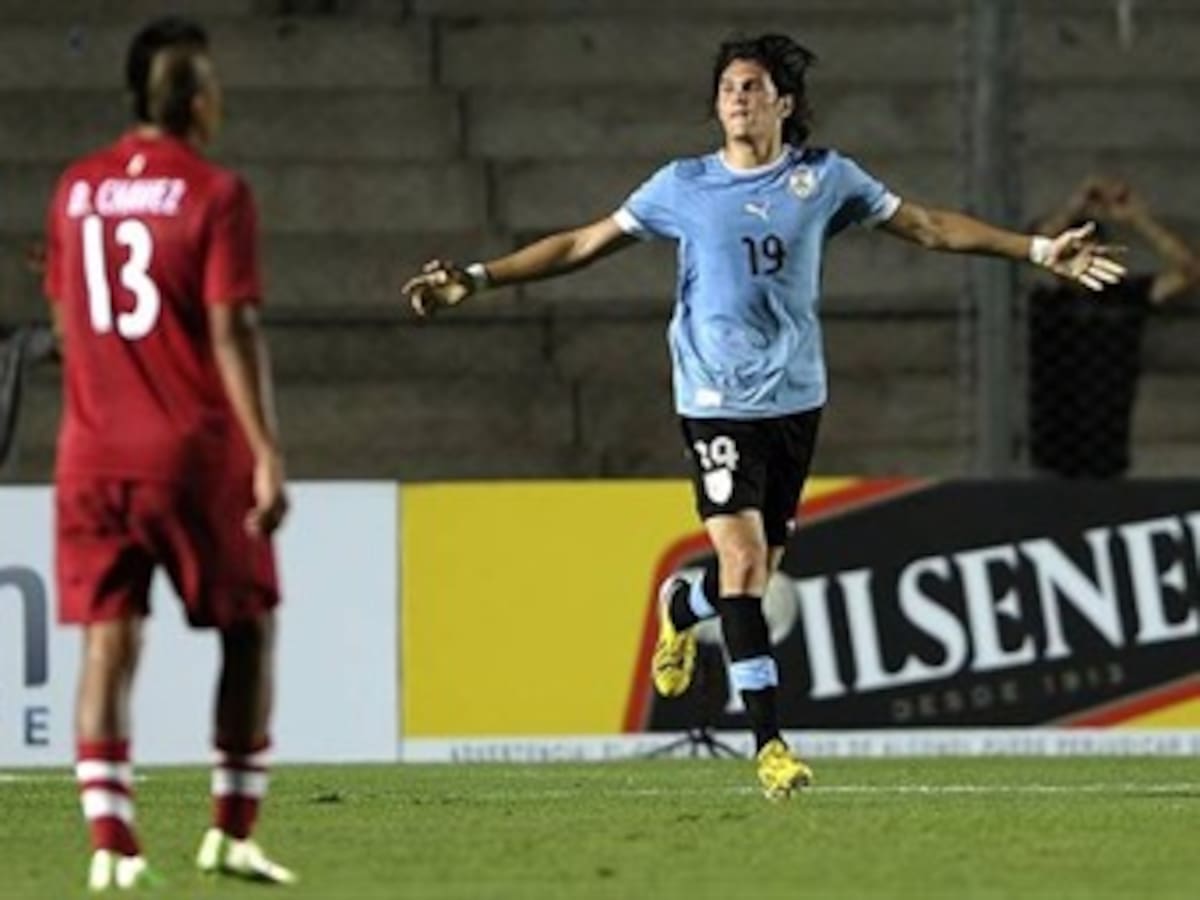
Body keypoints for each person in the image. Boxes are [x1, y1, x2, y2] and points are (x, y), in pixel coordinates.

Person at [401, 33, 1124, 799]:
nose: (738, 98)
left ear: (784, 102)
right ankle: (771, 747)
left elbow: (929, 227)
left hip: (795, 401)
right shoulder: (683, 185)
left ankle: (682, 603)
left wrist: (1039, 251)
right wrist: (476, 278)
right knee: (745, 565)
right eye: (727, 88)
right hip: (714, 400)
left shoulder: (826, 178)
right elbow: (584, 241)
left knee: (749, 575)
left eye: (752, 86)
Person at [43, 18, 295, 889]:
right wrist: (266, 451)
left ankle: (112, 845)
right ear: (195, 101)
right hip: (189, 452)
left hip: (89, 453)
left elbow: (66, 320)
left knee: (107, 643)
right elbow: (232, 328)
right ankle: (231, 832)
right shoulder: (215, 194)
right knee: (249, 627)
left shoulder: (76, 189)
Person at [1028, 176, 1199, 477]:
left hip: (1109, 443)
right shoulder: (1047, 302)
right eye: (1072, 253)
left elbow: (1187, 272)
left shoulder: (1125, 295)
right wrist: (1075, 207)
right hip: (1052, 446)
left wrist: (1138, 220)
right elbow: (1029, 251)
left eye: (1089, 251)